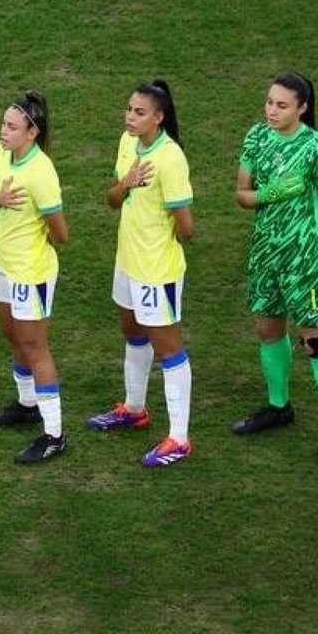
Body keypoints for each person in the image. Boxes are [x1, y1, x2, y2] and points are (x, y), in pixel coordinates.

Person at [229, 73, 318, 466]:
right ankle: (279, 407)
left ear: (302, 108)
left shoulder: (316, 148)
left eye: (282, 105)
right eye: (269, 102)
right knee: (267, 330)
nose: (272, 110)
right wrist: (272, 194)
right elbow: (242, 195)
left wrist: (313, 251)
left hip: (305, 262)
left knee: (314, 341)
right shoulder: (256, 137)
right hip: (265, 254)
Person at [84, 80, 196, 467]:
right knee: (132, 331)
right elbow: (113, 198)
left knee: (168, 348)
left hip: (156, 270)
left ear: (159, 117)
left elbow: (187, 226)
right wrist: (127, 183)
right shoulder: (127, 144)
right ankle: (134, 409)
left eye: (140, 112)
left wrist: (163, 248)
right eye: (129, 110)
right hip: (128, 262)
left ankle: (179, 438)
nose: (130, 118)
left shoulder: (170, 158)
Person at [0, 92, 71, 463]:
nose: (3, 131)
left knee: (35, 348)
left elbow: (61, 233)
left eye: (12, 127)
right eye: (3, 124)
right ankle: (27, 403)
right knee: (13, 336)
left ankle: (54, 435)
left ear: (32, 132)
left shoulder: (41, 172)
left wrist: (34, 243)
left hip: (31, 272)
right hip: (4, 265)